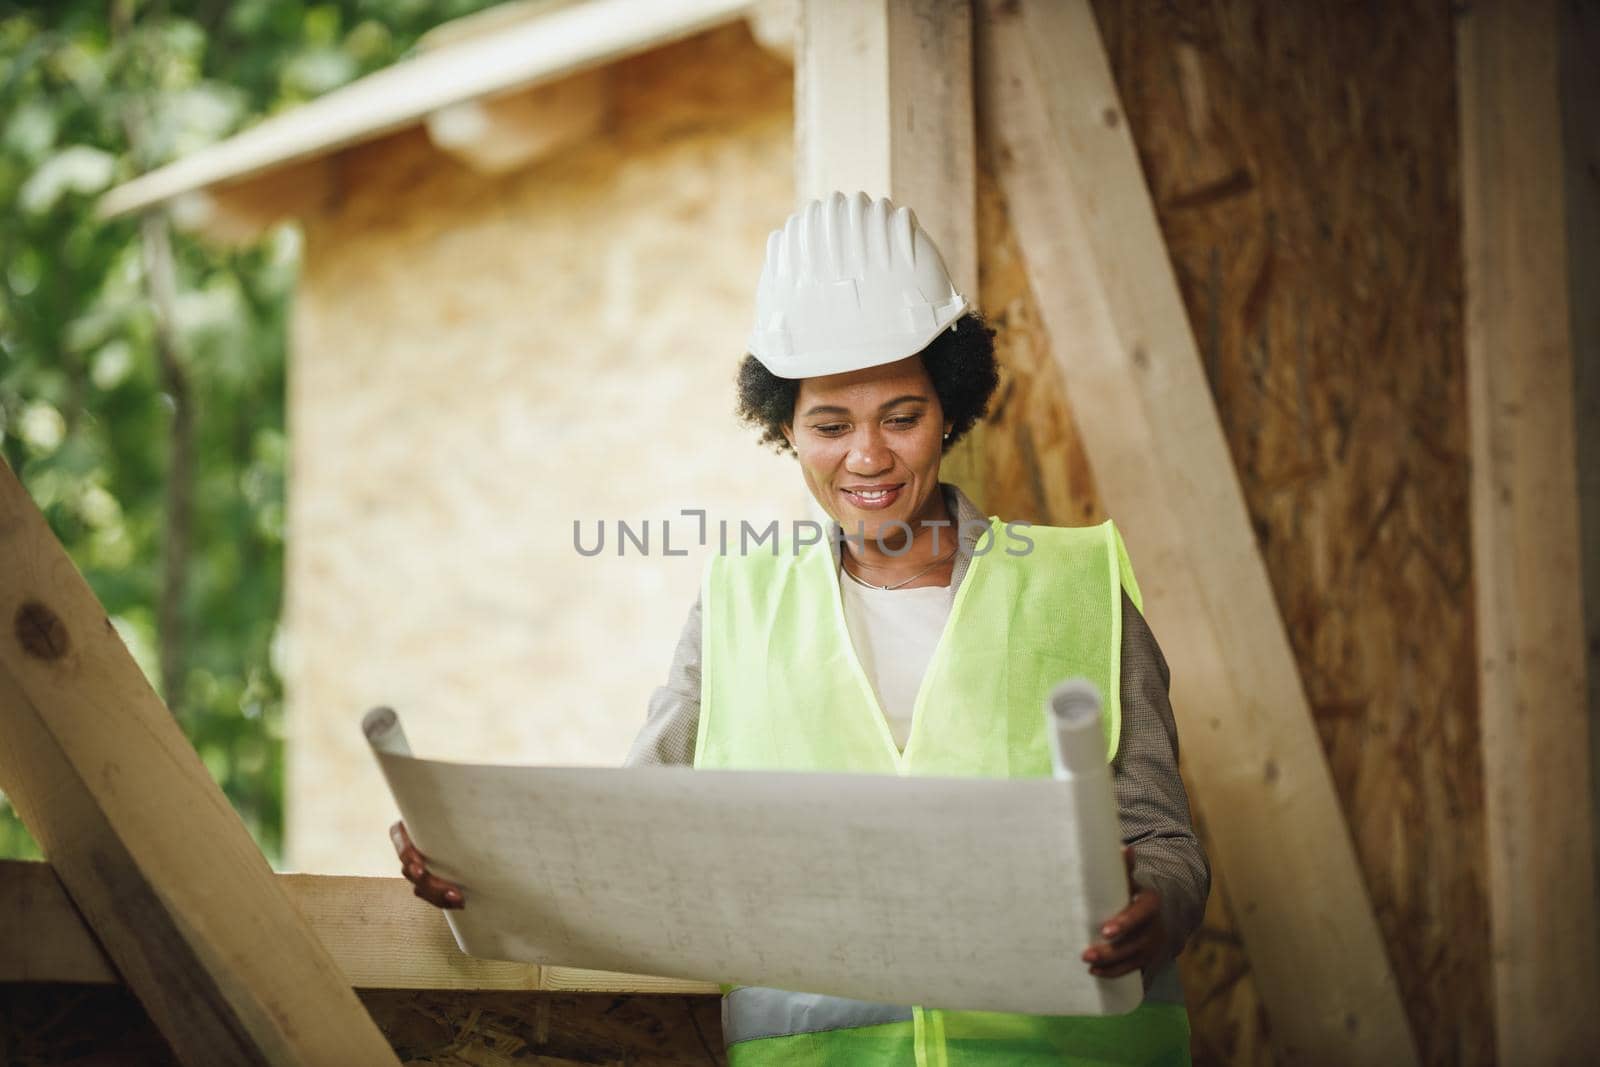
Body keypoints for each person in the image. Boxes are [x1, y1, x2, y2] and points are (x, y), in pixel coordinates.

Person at [394, 191, 1210, 1065]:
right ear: (784, 426)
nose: (868, 457)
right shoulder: (738, 604)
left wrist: (1153, 908)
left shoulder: (1072, 588)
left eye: (902, 416)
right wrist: (483, 866)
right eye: (830, 424)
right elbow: (634, 841)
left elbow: (1165, 843)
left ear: (950, 409)